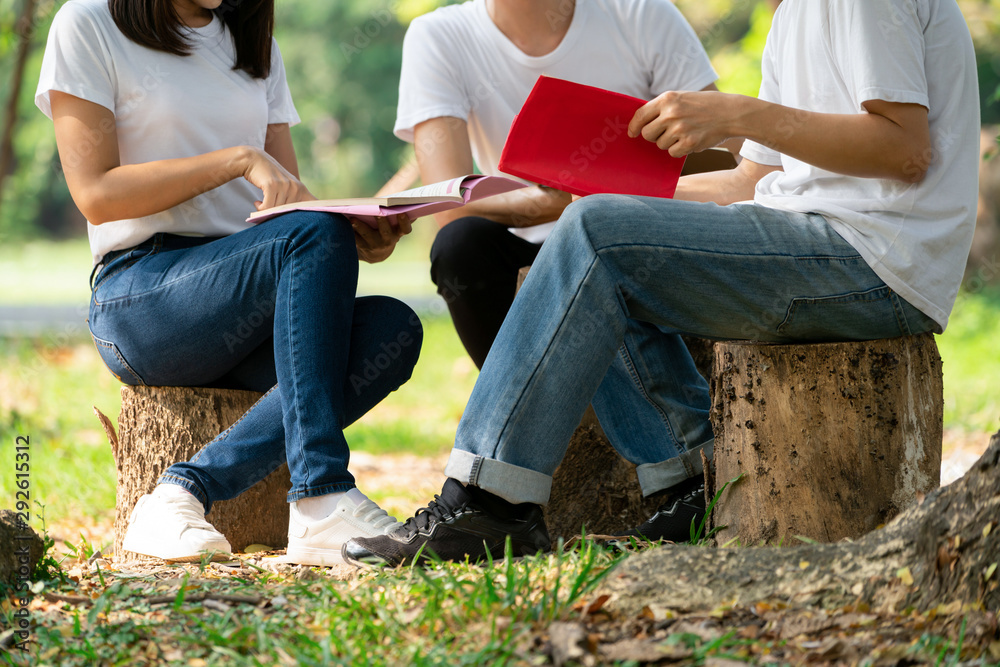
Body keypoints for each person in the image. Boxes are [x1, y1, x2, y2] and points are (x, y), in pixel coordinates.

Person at [343, 0, 981, 567]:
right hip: (818, 240)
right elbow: (745, 183)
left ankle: (490, 500)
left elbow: (904, 149)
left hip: (872, 261)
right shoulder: (792, 13)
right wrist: (594, 198)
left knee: (600, 236)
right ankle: (690, 487)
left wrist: (740, 113)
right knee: (601, 237)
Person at [36, 0, 420, 566]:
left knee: (394, 327)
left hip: (249, 295)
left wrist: (358, 231)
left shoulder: (253, 43)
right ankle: (321, 496)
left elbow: (290, 201)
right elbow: (95, 193)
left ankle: (178, 494)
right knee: (309, 236)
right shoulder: (88, 22)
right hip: (143, 294)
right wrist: (237, 160)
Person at [393, 0, 740, 541]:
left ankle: (683, 487)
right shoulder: (440, 34)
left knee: (601, 235)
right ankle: (514, 450)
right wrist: (551, 204)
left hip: (637, 223)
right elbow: (449, 193)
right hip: (516, 230)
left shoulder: (643, 15)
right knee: (460, 244)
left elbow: (732, 155)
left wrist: (616, 184)